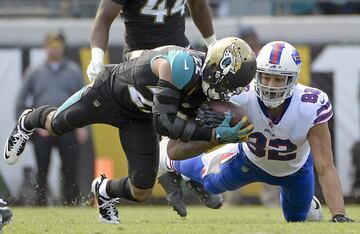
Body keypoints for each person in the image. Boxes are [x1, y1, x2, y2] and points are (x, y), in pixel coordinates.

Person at [4, 37, 257, 223]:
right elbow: (165, 125)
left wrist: (215, 140)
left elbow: (174, 149)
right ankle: (28, 120)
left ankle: (104, 191)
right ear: (215, 67)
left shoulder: (202, 91)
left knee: (142, 190)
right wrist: (213, 134)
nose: (227, 93)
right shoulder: (182, 66)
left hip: (138, 117)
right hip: (109, 93)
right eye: (228, 85)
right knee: (56, 124)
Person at [157, 41, 354, 222]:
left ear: (293, 80)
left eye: (278, 79)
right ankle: (167, 158)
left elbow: (326, 167)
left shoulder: (310, 105)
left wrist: (339, 215)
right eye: (266, 77)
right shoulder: (241, 95)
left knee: (297, 219)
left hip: (295, 171)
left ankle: (309, 204)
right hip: (249, 160)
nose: (270, 85)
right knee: (211, 183)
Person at [86, 0, 219, 216]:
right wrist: (97, 57)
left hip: (179, 56)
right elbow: (103, 18)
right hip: (141, 60)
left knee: (202, 114)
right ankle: (169, 173)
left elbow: (199, 6)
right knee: (159, 121)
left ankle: (187, 172)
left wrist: (213, 44)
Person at [15, 31, 88, 206]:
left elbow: (85, 100)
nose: (55, 50)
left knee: (70, 168)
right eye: (51, 46)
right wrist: (30, 126)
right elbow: (20, 103)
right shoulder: (34, 72)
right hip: (42, 129)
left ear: (63, 47)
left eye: (58, 46)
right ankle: (40, 202)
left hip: (68, 125)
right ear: (45, 47)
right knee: (42, 169)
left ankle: (71, 203)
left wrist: (82, 126)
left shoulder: (74, 71)